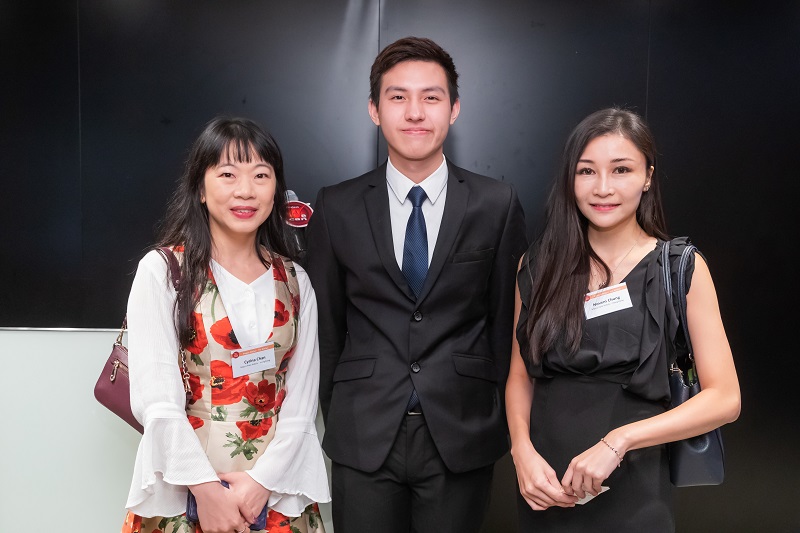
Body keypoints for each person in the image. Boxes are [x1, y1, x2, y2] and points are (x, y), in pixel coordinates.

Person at [305, 36, 527, 532]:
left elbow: (505, 324)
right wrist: (343, 411)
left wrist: (488, 413)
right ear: (374, 109)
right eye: (398, 97)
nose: (415, 112)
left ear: (454, 108)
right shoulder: (337, 206)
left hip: (461, 431)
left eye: (431, 97)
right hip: (364, 433)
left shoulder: (496, 203)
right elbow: (327, 327)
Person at [505, 107, 741, 532]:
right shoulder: (537, 265)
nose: (603, 188)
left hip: (635, 488)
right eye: (586, 171)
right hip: (546, 487)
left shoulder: (679, 267)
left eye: (621, 169)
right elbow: (520, 377)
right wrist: (521, 452)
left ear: (647, 176)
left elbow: (725, 398)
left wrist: (620, 441)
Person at [121, 117, 330, 533]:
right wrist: (208, 493)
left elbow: (301, 407)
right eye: (228, 174)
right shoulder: (163, 272)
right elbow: (157, 402)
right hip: (185, 493)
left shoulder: (295, 281)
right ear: (200, 188)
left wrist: (259, 485)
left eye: (261, 175)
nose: (245, 190)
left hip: (274, 496)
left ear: (276, 189)